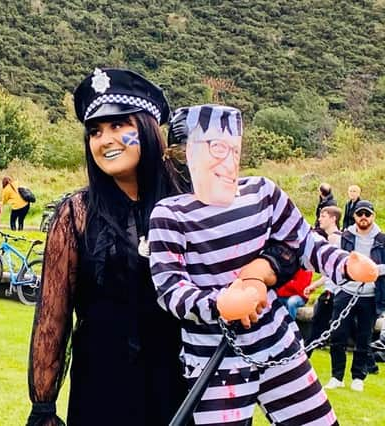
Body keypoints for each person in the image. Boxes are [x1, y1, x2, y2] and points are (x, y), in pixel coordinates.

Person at [25, 70, 293, 426]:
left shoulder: (199, 198)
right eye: (95, 131)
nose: (106, 140)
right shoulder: (75, 214)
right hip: (104, 386)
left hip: (190, 377)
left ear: (149, 129)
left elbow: (286, 243)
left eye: (120, 125)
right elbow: (52, 316)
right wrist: (44, 408)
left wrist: (257, 278)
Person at [148, 104, 376, 425]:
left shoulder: (262, 193)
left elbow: (304, 242)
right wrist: (220, 304)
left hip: (278, 346)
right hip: (214, 362)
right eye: (215, 148)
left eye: (232, 148)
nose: (227, 158)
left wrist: (344, 264)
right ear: (183, 154)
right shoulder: (170, 215)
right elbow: (170, 288)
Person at [325, 200, 385, 392]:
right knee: (338, 334)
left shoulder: (382, 240)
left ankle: (358, 376)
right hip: (346, 291)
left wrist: (375, 269)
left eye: (367, 214)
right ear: (355, 217)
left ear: (373, 216)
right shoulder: (346, 237)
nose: (364, 218)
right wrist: (334, 288)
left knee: (364, 337)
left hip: (370, 295)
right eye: (360, 214)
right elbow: (334, 262)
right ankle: (337, 376)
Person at [304, 205, 343, 357]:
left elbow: (332, 267)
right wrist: (315, 285)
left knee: (318, 324)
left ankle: (304, 355)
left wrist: (314, 285)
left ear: (333, 219)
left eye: (323, 216)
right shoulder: (331, 237)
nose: (319, 219)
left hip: (333, 291)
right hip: (331, 290)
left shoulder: (334, 239)